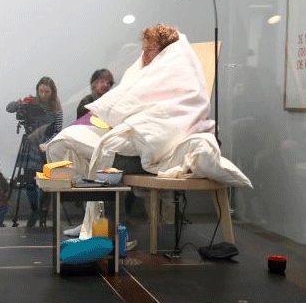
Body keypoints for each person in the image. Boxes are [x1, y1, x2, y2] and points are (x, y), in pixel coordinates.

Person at [47, 24, 218, 238]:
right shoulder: (147, 73)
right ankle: (95, 223)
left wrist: (125, 120)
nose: (144, 56)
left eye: (150, 50)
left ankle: (107, 229)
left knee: (103, 155)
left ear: (165, 51)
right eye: (143, 50)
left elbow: (168, 118)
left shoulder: (177, 76)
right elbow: (126, 102)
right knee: (66, 140)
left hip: (151, 151)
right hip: (133, 141)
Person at [6, 76, 63, 226]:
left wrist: (48, 143)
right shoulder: (31, 102)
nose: (44, 94)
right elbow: (9, 108)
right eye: (41, 91)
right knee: (29, 179)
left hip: (48, 146)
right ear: (37, 90)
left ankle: (43, 211)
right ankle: (35, 210)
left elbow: (58, 130)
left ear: (52, 92)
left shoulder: (56, 108)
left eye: (47, 91)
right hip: (31, 143)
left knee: (47, 180)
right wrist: (20, 103)